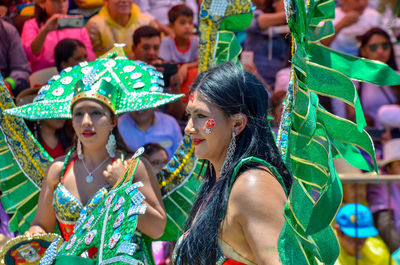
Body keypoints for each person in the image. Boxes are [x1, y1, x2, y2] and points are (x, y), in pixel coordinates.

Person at [173, 62, 292, 264]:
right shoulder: (218, 182)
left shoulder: (252, 185)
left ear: (237, 123)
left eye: (201, 116)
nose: (189, 128)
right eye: (189, 115)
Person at [20, 0, 95, 73]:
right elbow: (29, 55)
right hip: (44, 78)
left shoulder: (75, 22)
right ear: (42, 3)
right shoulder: (32, 25)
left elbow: (90, 56)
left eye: (64, 1)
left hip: (77, 74)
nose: (61, 5)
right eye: (55, 1)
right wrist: (45, 30)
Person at [347, 27, 399, 127]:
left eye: (385, 46)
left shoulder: (396, 76)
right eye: (373, 47)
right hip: (371, 136)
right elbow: (352, 114)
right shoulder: (355, 80)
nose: (380, 51)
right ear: (363, 51)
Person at [85, 0, 156, 57]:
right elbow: (92, 58)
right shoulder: (94, 25)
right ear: (106, 1)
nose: (124, 1)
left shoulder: (147, 22)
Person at [243, 0, 288, 86]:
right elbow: (257, 23)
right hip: (254, 81)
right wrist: (297, 14)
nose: (288, 5)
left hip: (278, 85)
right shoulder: (258, 15)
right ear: (274, 3)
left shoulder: (289, 28)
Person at [159, 4, 199, 92]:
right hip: (171, 83)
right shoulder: (166, 42)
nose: (187, 27)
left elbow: (201, 62)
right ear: (171, 26)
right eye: (182, 23)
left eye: (190, 22)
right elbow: (165, 65)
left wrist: (186, 66)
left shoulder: (196, 41)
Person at [118, 108, 182, 159]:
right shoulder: (119, 126)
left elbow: (180, 157)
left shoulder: (170, 123)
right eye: (135, 103)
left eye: (145, 101)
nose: (140, 107)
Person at [0, 18, 31, 97]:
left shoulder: (8, 31)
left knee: (22, 86)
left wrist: (7, 84)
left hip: (5, 82)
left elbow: (21, 69)